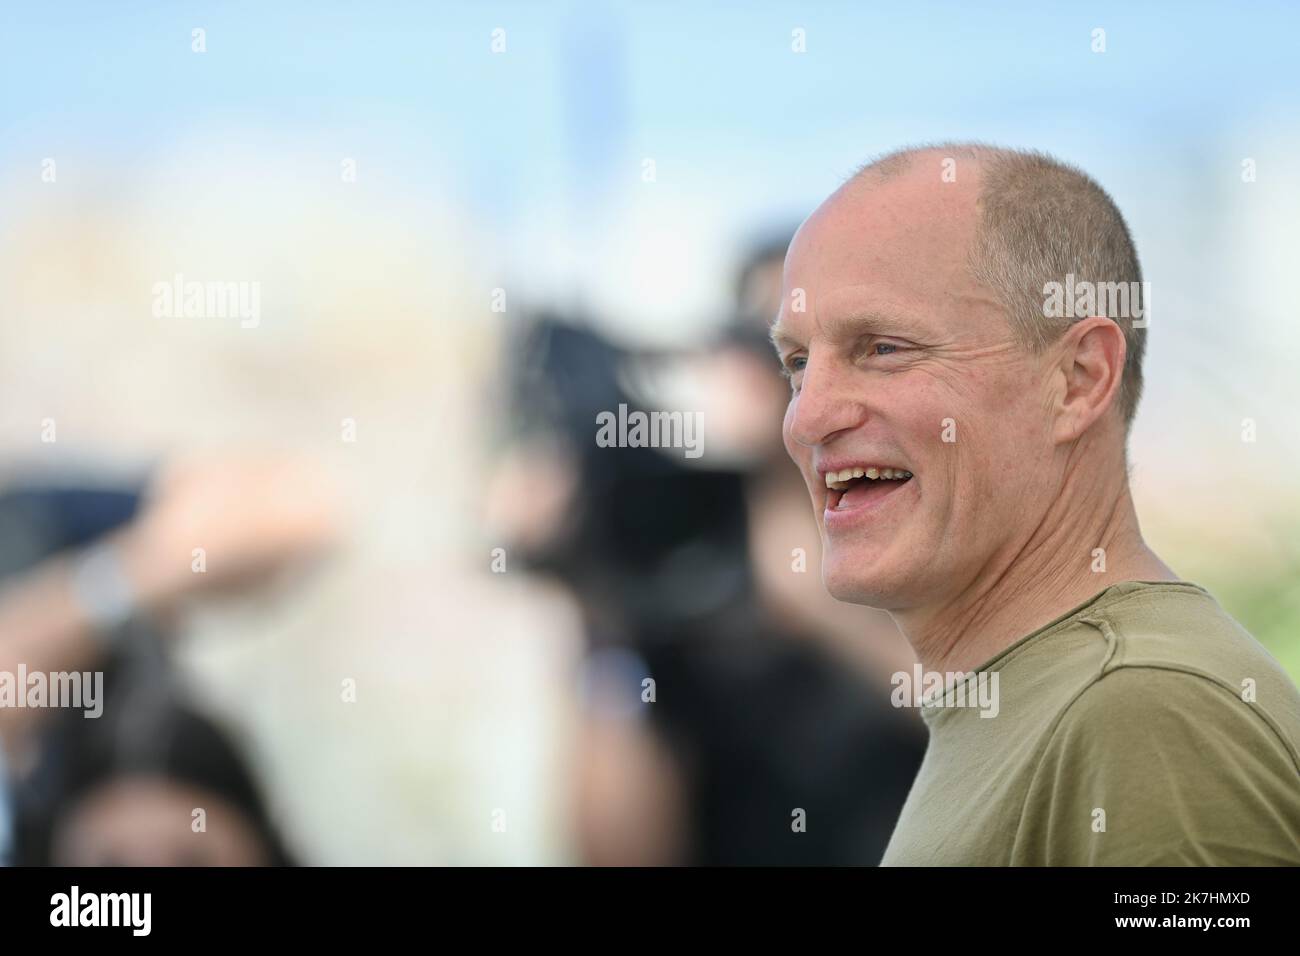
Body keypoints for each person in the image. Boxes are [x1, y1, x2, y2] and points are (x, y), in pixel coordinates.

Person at [770, 142, 1300, 865]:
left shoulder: (1143, 710)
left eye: (884, 348)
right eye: (798, 364)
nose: (805, 419)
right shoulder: (1060, 698)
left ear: (1079, 380)